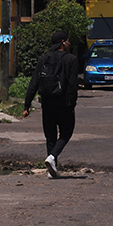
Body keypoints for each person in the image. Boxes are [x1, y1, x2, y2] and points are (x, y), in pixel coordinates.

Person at [23, 31, 78, 179]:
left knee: (50, 136)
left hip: (47, 103)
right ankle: (52, 157)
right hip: (64, 104)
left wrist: (27, 105)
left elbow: (34, 82)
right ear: (63, 42)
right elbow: (72, 85)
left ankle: (51, 170)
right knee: (66, 132)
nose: (69, 43)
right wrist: (72, 104)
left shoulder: (44, 58)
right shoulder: (71, 59)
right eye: (68, 41)